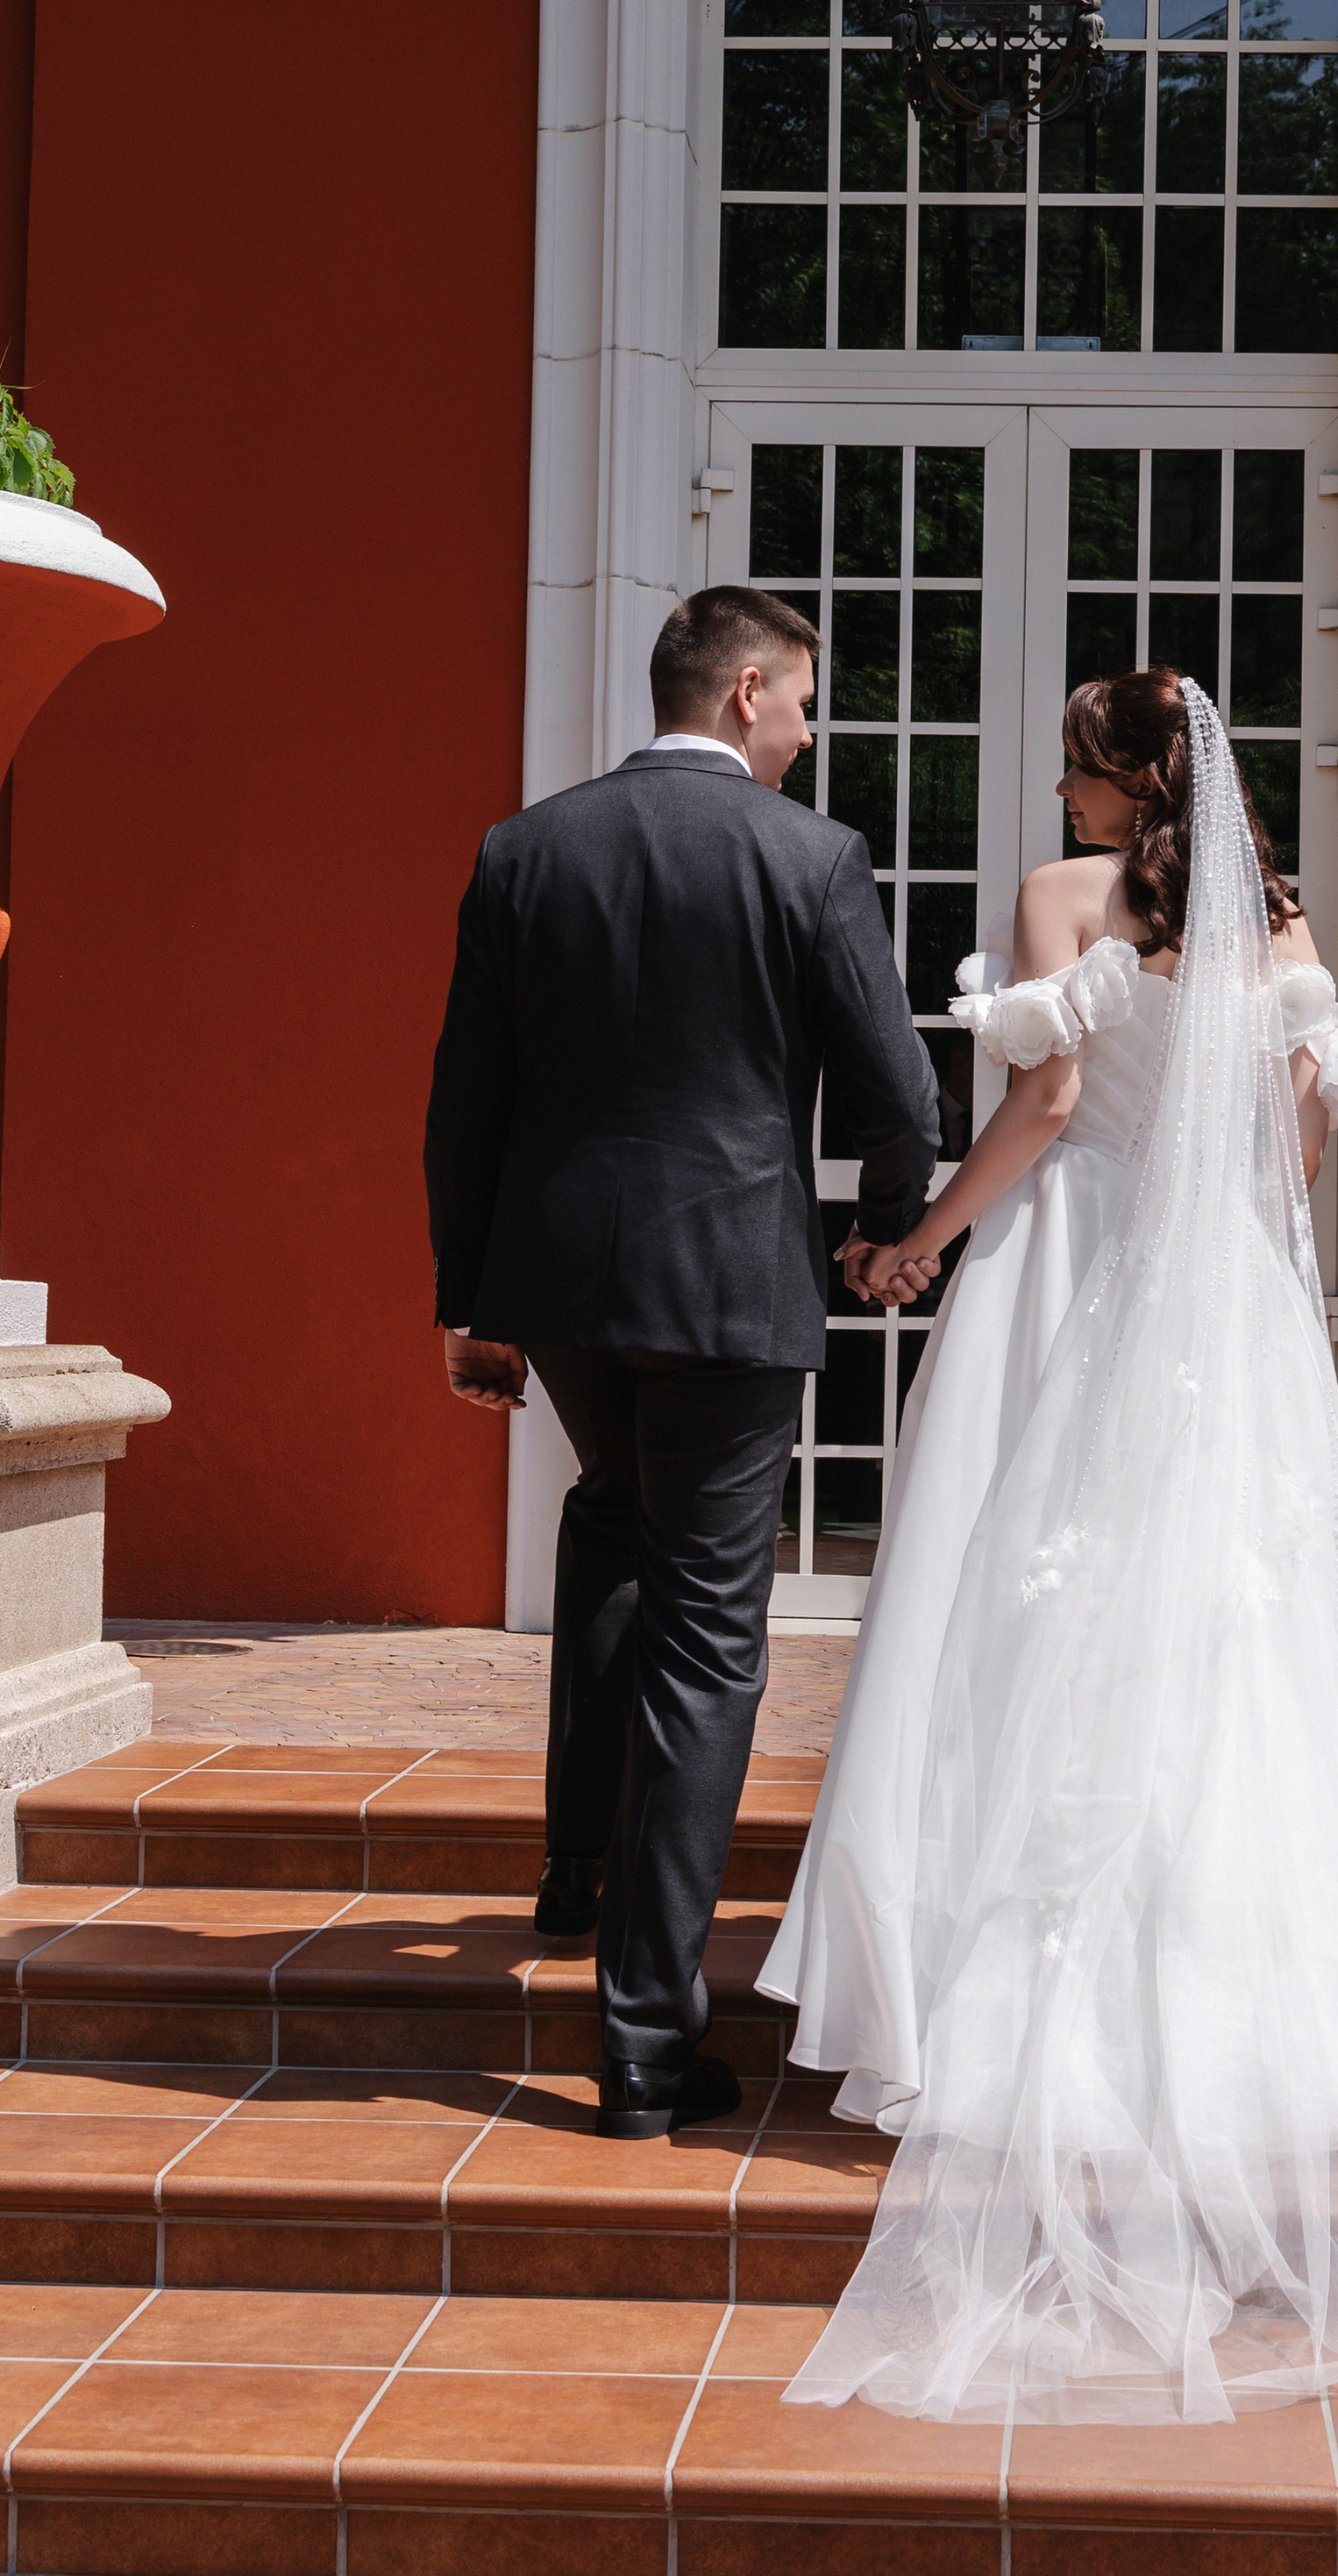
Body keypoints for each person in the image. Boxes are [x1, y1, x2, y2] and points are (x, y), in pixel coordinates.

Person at [759, 667, 1338, 2423]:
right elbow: (1297, 1145)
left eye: (1073, 774)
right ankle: (1239, 1995)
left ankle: (981, 1992)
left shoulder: (1056, 902)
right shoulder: (1277, 922)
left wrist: (925, 1241)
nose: (1061, 798)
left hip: (1069, 1265)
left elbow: (1034, 1108)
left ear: (1119, 783)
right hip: (1226, 1290)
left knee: (1018, 1604)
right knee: (1229, 1628)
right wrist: (1225, 1249)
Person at [424, 587, 940, 2143]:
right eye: (795, 706)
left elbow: (467, 1099)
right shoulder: (812, 857)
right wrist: (887, 1235)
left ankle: (575, 1869)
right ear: (741, 693)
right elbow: (898, 1096)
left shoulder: (529, 848)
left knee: (617, 1533)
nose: (802, 733)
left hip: (567, 1289)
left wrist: (473, 1303)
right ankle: (645, 2045)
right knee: (711, 1643)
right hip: (726, 1292)